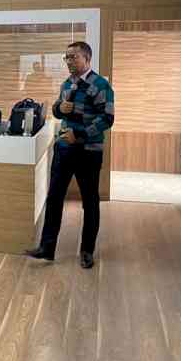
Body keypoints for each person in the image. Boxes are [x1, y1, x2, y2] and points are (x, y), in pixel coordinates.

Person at [26, 42, 114, 269]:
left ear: (86, 58)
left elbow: (107, 119)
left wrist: (81, 134)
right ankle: (47, 248)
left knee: (90, 202)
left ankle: (86, 251)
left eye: (72, 57)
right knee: (54, 198)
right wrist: (58, 109)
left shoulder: (101, 85)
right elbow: (58, 108)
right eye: (66, 57)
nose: (68, 61)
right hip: (65, 148)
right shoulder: (67, 83)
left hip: (88, 152)